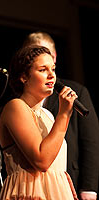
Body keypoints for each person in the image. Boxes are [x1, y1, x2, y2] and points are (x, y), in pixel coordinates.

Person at [23, 31, 99, 200]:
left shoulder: (76, 91)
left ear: (54, 57)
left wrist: (89, 187)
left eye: (45, 54)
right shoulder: (17, 102)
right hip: (32, 183)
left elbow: (90, 141)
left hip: (68, 178)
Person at [0, 45, 78, 199]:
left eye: (53, 69)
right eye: (43, 70)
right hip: (29, 192)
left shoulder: (47, 115)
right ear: (24, 77)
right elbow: (41, 160)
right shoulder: (16, 107)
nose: (51, 75)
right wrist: (63, 115)